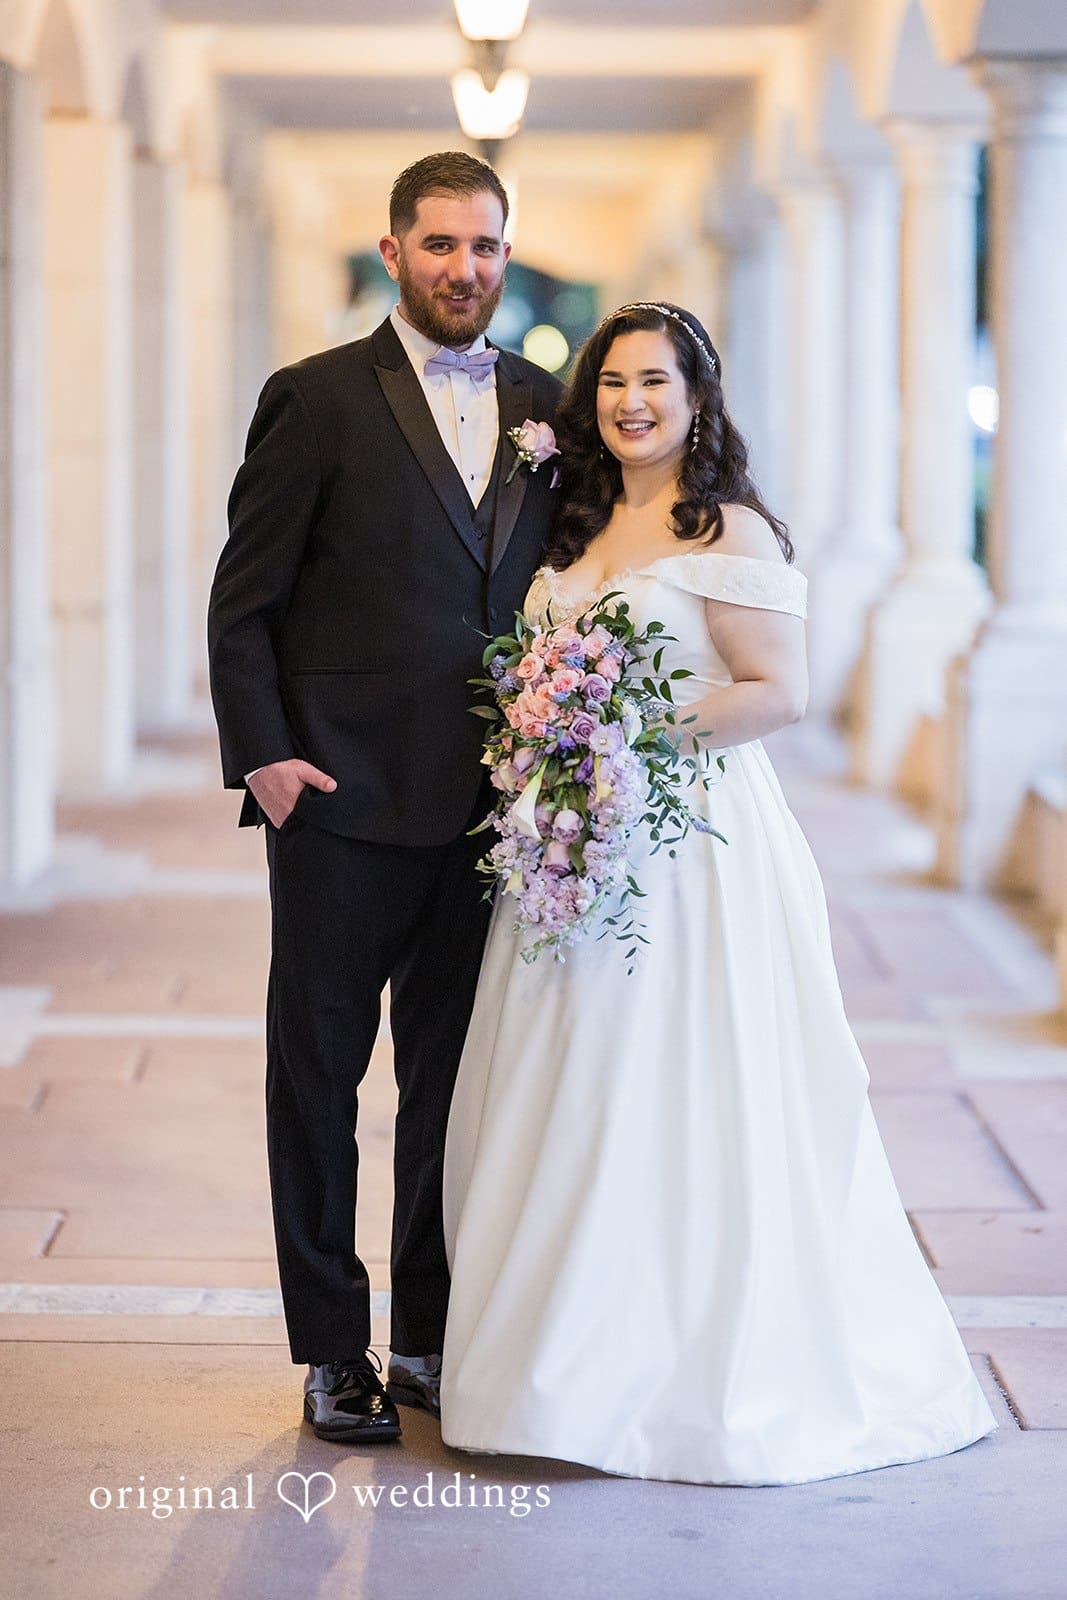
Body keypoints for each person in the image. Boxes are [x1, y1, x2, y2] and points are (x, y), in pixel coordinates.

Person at [439, 301, 997, 1485]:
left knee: (676, 1087)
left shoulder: (723, 527)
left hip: (688, 849)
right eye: (610, 383)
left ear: (697, 398)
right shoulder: (574, 519)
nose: (630, 401)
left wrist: (616, 736)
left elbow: (774, 691)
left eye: (654, 381)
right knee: (571, 1093)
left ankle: (676, 1375)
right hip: (569, 849)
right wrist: (556, 750)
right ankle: (550, 1369)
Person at [207, 152, 562, 1443]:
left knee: (452, 1088)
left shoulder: (545, 407)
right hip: (340, 806)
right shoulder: (314, 401)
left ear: (504, 257)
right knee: (317, 1081)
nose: (464, 269)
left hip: (491, 818)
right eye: (440, 245)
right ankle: (327, 1347)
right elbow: (242, 601)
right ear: (392, 248)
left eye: (485, 248)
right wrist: (268, 759)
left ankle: (423, 1334)